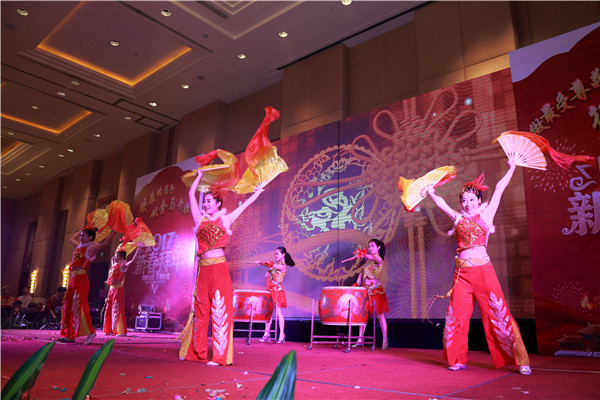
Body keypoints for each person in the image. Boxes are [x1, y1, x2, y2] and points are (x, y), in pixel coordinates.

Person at [426, 160, 531, 375]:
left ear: (479, 200)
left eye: (472, 200)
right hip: (461, 274)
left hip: (484, 271)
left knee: (499, 313)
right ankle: (457, 359)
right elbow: (441, 204)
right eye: (464, 200)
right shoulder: (457, 218)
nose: (468, 204)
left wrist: (511, 167)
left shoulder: (486, 214)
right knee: (457, 315)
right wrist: (430, 192)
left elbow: (499, 188)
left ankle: (521, 360)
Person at [179, 169, 267, 366]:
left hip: (219, 269)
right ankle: (197, 352)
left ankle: (219, 357)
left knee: (220, 310)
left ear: (218, 204)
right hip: (203, 270)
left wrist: (257, 192)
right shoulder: (199, 219)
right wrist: (199, 177)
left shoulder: (226, 219)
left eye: (209, 201)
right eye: (205, 201)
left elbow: (246, 205)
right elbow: (191, 194)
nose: (205, 204)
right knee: (201, 311)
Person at [59, 228, 114, 344]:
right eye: (81, 235)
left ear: (90, 237)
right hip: (73, 279)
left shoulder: (91, 248)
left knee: (79, 305)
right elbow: (71, 239)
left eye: (83, 235)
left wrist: (114, 232)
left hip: (81, 279)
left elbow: (105, 243)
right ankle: (69, 335)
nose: (81, 237)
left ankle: (91, 332)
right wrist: (81, 229)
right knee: (68, 305)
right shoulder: (79, 246)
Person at [352, 239, 389, 350]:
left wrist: (363, 254)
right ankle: (360, 339)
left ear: (378, 247)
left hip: (376, 290)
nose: (370, 248)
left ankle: (385, 339)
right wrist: (359, 279)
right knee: (363, 314)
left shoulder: (379, 259)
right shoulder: (368, 262)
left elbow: (374, 258)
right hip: (366, 290)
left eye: (373, 246)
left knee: (380, 315)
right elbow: (363, 271)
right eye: (369, 246)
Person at [255, 246, 295, 344]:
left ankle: (281, 334)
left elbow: (273, 266)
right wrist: (267, 274)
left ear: (283, 254)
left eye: (277, 254)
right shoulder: (276, 265)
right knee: (268, 313)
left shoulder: (283, 265)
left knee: (278, 312)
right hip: (271, 290)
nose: (276, 255)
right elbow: (271, 269)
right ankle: (266, 333)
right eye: (275, 254)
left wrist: (262, 263)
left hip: (277, 291)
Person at [103, 248, 138, 336]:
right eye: (115, 255)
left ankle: (120, 331)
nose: (115, 257)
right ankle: (109, 330)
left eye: (117, 256)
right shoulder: (114, 264)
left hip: (118, 290)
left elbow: (132, 261)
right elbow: (112, 260)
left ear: (121, 257)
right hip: (111, 290)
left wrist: (138, 250)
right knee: (108, 309)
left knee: (117, 309)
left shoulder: (123, 264)